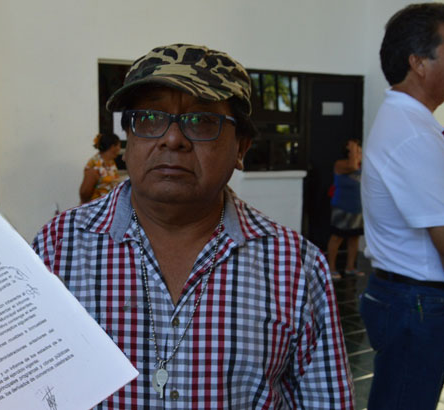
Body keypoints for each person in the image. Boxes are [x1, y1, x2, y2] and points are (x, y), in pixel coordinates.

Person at [34, 44, 353, 408]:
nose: (172, 139)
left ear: (241, 148)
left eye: (201, 121)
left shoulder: (295, 266)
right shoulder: (58, 248)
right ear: (128, 140)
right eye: (149, 118)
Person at [360, 3, 444, 409]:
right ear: (418, 62)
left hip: (415, 300)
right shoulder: (411, 134)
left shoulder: (412, 125)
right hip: (416, 304)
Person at [327, 139, 364, 279]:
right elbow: (353, 166)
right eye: (356, 151)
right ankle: (331, 268)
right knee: (337, 237)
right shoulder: (341, 164)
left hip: (357, 208)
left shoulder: (362, 166)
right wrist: (353, 147)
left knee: (354, 237)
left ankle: (350, 267)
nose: (359, 154)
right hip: (342, 207)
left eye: (359, 151)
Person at [79, 133, 122, 204]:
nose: (119, 149)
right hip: (95, 208)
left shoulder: (110, 162)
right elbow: (84, 194)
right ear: (112, 146)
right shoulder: (95, 166)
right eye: (119, 145)